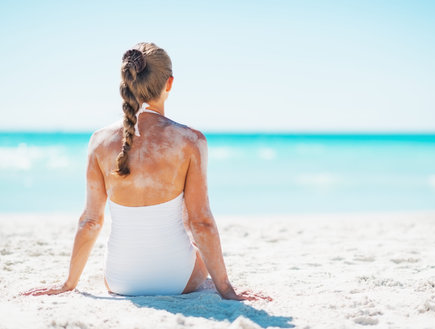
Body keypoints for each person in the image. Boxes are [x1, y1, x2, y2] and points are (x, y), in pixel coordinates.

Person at [22, 42, 267, 301]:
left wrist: (68, 283)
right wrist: (226, 290)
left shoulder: (99, 140)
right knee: (186, 213)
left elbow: (91, 221)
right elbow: (201, 222)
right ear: (169, 83)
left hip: (119, 280)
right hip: (178, 279)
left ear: (127, 82)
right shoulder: (190, 140)